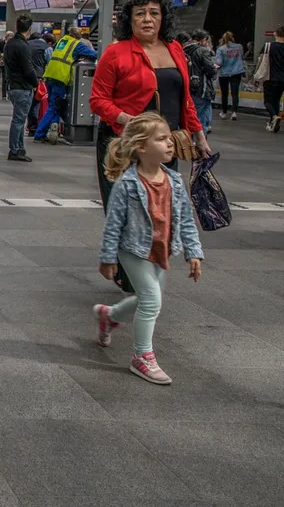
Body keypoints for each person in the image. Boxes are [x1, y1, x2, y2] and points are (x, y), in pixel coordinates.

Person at [94, 112, 204, 385]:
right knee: (152, 300)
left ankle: (109, 315)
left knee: (146, 299)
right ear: (141, 148)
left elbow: (186, 220)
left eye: (169, 137)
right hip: (131, 249)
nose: (170, 143)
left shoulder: (174, 181)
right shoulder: (126, 184)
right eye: (162, 138)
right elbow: (113, 225)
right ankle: (142, 357)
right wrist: (108, 259)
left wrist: (194, 252)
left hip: (161, 248)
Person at [89, 0, 210, 210]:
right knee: (126, 213)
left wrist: (199, 135)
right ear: (129, 19)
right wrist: (131, 121)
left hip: (166, 145)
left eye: (154, 13)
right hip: (124, 144)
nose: (147, 19)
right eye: (140, 14)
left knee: (162, 212)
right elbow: (98, 100)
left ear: (163, 18)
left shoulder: (175, 49)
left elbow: (185, 99)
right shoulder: (115, 53)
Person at [34, 24, 98, 145]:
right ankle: (39, 134)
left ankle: (54, 128)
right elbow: (93, 54)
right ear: (77, 37)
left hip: (50, 75)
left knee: (55, 106)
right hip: (60, 77)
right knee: (54, 106)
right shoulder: (77, 44)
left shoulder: (61, 41)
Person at [3, 14, 38, 162]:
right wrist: (36, 82)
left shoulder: (9, 44)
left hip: (11, 85)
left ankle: (19, 148)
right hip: (23, 87)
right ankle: (15, 150)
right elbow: (28, 69)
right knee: (19, 120)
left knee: (19, 119)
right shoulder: (23, 46)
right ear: (29, 29)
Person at [260, 25, 284, 133]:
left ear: (275, 33)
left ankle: (274, 116)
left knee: (267, 101)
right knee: (276, 100)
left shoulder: (268, 46)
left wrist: (256, 75)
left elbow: (261, 60)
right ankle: (273, 123)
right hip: (282, 78)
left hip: (269, 77)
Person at [183, 30, 217, 135]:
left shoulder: (183, 50)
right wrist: (214, 68)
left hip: (189, 86)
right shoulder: (202, 50)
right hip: (202, 88)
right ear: (204, 40)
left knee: (192, 116)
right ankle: (200, 146)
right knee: (202, 121)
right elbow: (210, 69)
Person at [214, 31, 244, 120]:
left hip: (224, 73)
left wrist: (215, 65)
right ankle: (234, 112)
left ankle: (224, 112)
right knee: (235, 93)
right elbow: (242, 58)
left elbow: (219, 62)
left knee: (224, 93)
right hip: (236, 72)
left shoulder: (220, 49)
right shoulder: (239, 47)